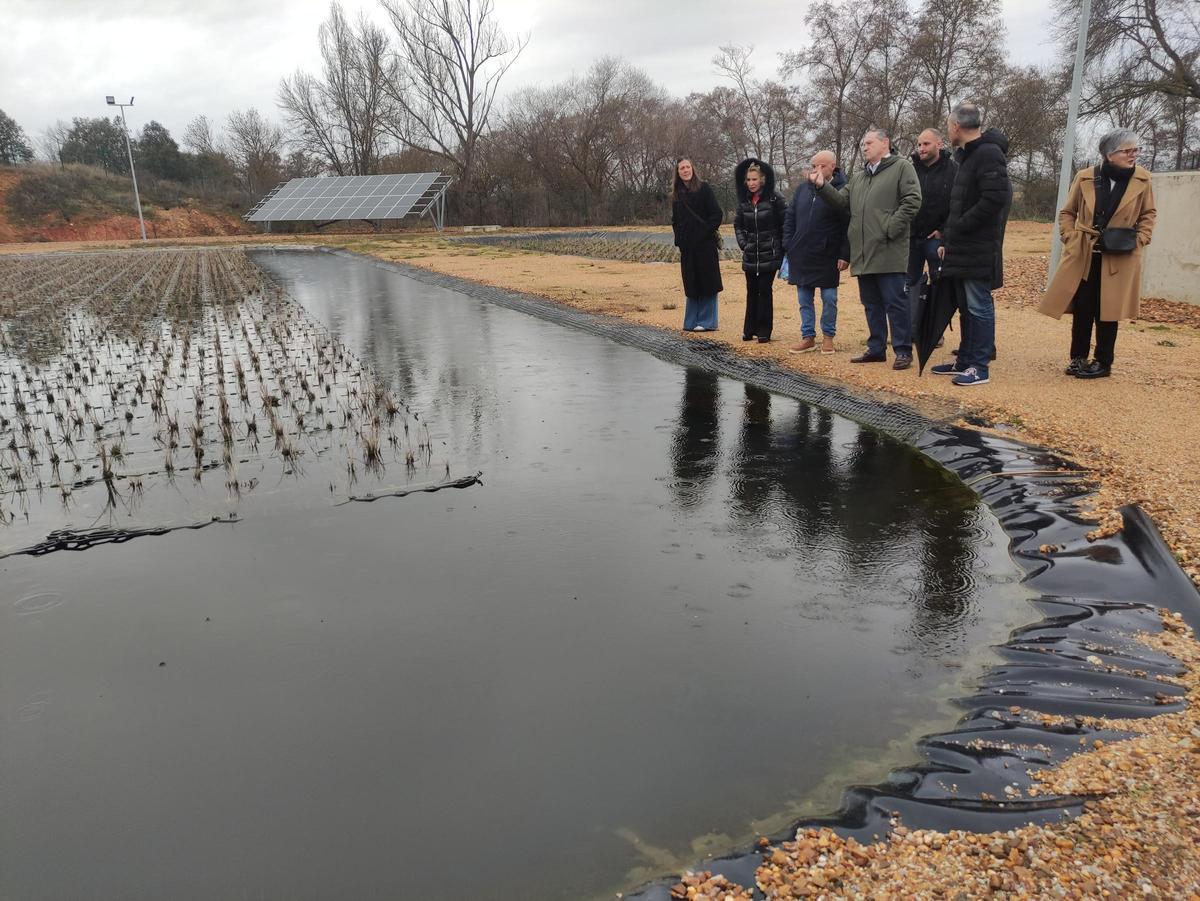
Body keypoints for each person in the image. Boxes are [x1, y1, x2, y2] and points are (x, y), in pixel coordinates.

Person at [1039, 129, 1156, 379]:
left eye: (1136, 150)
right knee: (1083, 308)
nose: (1133, 154)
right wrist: (1070, 237)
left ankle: (1103, 362)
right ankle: (1078, 358)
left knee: (1109, 310)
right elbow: (1067, 212)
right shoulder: (1085, 177)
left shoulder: (1143, 179)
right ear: (1109, 154)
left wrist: (1140, 239)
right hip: (1084, 251)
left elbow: (1148, 214)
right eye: (1127, 150)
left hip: (1120, 253)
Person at [809, 127, 921, 369]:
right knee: (871, 303)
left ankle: (903, 351)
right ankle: (876, 348)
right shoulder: (859, 177)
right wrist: (822, 186)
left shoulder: (902, 167)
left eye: (869, 143)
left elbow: (912, 201)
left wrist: (889, 228)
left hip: (889, 249)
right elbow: (840, 201)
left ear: (885, 143)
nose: (864, 147)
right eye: (863, 144)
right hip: (863, 250)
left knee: (895, 302)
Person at [930, 103, 1011, 387]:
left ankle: (979, 366)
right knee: (965, 305)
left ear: (955, 126)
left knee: (978, 306)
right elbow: (960, 202)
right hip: (961, 245)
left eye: (948, 125)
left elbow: (994, 199)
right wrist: (948, 238)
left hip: (978, 246)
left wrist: (960, 227)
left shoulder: (988, 153)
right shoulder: (967, 156)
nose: (948, 130)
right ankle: (965, 360)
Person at [782, 150, 850, 355]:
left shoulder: (843, 190)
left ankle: (828, 337)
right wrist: (788, 244)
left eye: (821, 166)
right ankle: (808, 336)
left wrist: (845, 254)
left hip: (828, 253)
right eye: (813, 166)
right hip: (801, 252)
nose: (816, 170)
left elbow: (847, 224)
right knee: (804, 299)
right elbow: (790, 217)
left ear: (833, 166)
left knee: (829, 298)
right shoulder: (803, 189)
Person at [734, 158, 787, 342]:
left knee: (764, 290)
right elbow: (738, 224)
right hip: (750, 254)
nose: (751, 183)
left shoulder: (775, 198)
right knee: (751, 290)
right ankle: (749, 329)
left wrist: (781, 247)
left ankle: (764, 331)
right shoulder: (744, 200)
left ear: (762, 179)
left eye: (754, 179)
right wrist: (743, 243)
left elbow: (786, 223)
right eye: (748, 180)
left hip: (769, 253)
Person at [670, 158, 724, 332]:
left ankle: (708, 321)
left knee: (707, 282)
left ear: (692, 169)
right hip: (688, 248)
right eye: (682, 168)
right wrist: (679, 240)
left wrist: (703, 234)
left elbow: (717, 214)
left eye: (688, 167)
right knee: (691, 283)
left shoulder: (704, 188)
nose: (685, 170)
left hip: (705, 245)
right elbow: (675, 220)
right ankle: (691, 321)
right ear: (678, 172)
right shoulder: (677, 194)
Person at [907, 128, 957, 288]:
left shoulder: (954, 170)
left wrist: (943, 231)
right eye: (919, 144)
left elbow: (958, 205)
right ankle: (913, 306)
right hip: (911, 238)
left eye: (926, 144)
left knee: (940, 284)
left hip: (936, 240)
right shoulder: (910, 170)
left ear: (939, 144)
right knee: (909, 285)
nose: (921, 148)